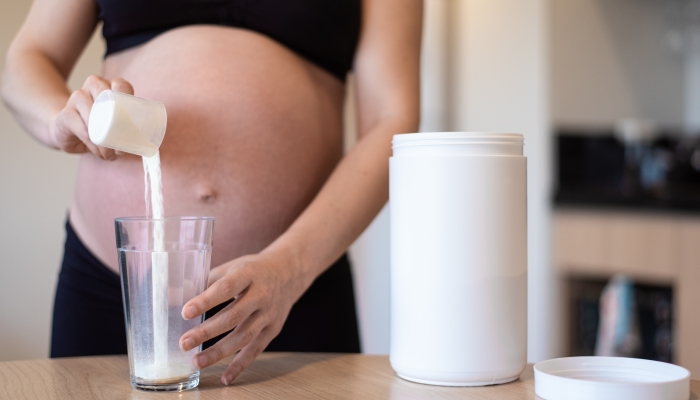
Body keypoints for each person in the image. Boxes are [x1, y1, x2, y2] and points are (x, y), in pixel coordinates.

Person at [1, 0, 421, 385]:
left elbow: (392, 118)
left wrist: (291, 267)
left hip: (294, 288)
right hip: (114, 289)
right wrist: (58, 116)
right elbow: (27, 58)